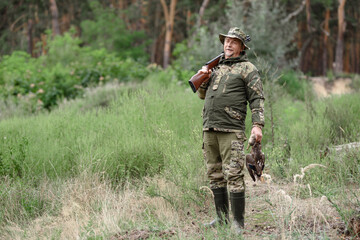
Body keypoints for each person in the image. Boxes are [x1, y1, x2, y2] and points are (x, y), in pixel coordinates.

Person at [196, 27, 265, 235]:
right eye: (226, 40)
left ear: (242, 47)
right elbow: (201, 95)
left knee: (234, 174)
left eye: (234, 42)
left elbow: (257, 99)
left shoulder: (248, 68)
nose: (228, 44)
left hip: (231, 130)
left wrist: (257, 125)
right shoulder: (215, 68)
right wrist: (204, 77)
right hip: (209, 128)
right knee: (214, 174)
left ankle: (238, 224)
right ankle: (222, 219)